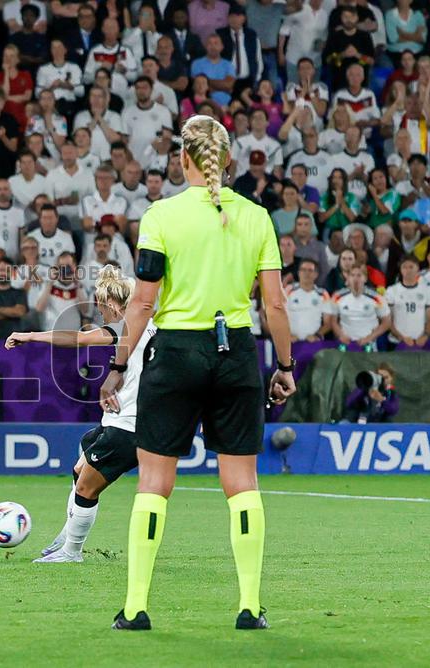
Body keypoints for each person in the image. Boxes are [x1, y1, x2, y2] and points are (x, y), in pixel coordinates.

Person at [100, 115, 295, 631]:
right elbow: (275, 303)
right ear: (228, 160)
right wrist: (285, 365)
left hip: (176, 352)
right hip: (236, 351)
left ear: (182, 159)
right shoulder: (256, 217)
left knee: (154, 482)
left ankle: (136, 608)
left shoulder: (161, 215)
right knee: (242, 483)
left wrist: (118, 365)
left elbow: (142, 303)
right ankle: (249, 607)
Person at [6, 266, 152, 562]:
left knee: (85, 486)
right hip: (125, 419)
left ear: (111, 304)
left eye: (101, 308)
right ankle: (67, 536)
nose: (101, 315)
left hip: (129, 425)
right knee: (81, 465)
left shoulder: (126, 326)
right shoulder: (152, 326)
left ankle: (72, 551)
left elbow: (79, 338)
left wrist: (30, 335)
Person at [330, 264, 392, 350]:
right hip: (346, 344)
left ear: (365, 278)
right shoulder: (337, 296)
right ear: (348, 278)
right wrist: (341, 335)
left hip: (368, 344)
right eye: (352, 275)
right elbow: (333, 321)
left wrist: (370, 337)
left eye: (359, 275)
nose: (355, 279)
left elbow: (387, 322)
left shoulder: (377, 298)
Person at [386, 255, 430, 347]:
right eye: (404, 267)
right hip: (396, 341)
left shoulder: (426, 291)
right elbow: (387, 319)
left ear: (418, 269)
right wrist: (401, 337)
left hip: (419, 341)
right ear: (401, 270)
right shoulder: (391, 290)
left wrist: (425, 336)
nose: (408, 270)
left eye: (411, 267)